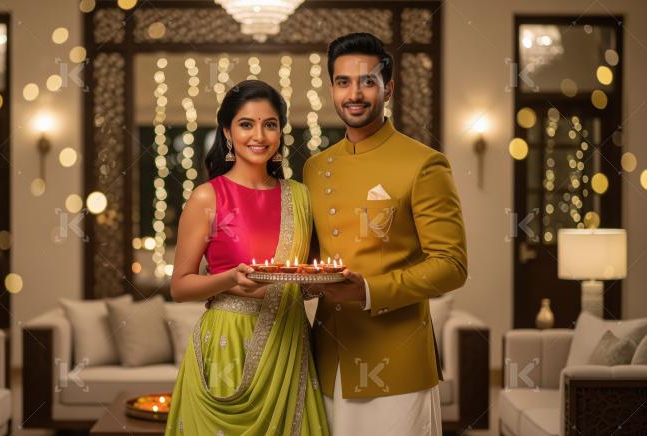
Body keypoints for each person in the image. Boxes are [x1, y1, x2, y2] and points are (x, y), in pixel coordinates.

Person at [302, 32, 468, 435]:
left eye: (367, 81)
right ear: (331, 88)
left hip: (397, 366)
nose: (354, 93)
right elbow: (311, 259)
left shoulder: (425, 164)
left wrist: (369, 291)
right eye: (343, 82)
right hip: (327, 359)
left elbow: (452, 266)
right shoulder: (314, 167)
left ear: (387, 88)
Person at [166, 80, 329, 436]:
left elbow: (311, 276)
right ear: (227, 131)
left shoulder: (300, 197)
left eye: (270, 124)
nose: (259, 135)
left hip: (287, 344)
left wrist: (325, 283)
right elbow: (179, 287)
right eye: (246, 124)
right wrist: (229, 279)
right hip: (227, 345)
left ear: (281, 131)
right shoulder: (207, 198)